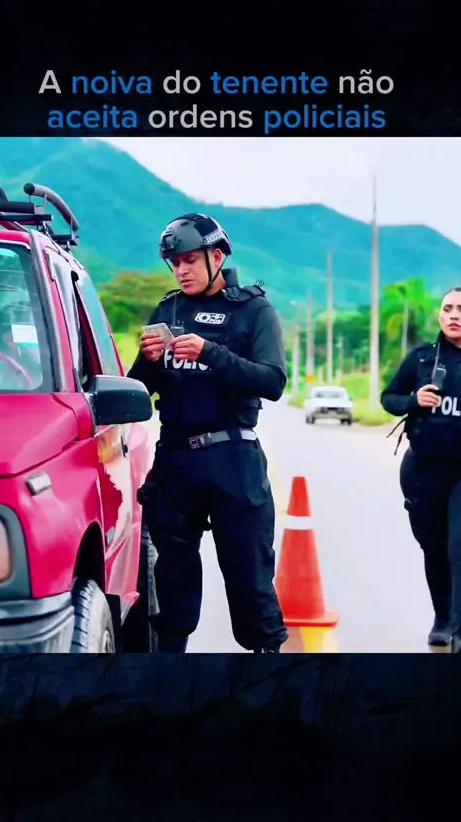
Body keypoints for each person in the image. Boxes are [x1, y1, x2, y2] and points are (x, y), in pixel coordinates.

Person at [127, 212, 289, 653]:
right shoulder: (167, 310)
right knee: (172, 582)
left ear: (216, 257)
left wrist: (211, 353)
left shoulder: (253, 310)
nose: (181, 271)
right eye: (175, 263)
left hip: (232, 459)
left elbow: (273, 380)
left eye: (190, 261)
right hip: (176, 461)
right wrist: (146, 361)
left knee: (250, 579)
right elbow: (139, 390)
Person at [380, 286, 461, 653]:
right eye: (448, 308)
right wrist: (415, 400)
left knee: (458, 547)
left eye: (460, 309)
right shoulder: (422, 358)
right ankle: (442, 619)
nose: (453, 315)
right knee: (434, 547)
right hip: (424, 471)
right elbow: (389, 398)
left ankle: (458, 627)